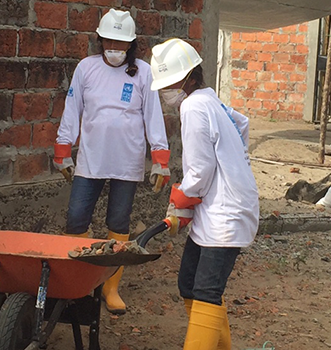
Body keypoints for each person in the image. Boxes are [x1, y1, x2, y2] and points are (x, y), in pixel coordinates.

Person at [53, 8, 170, 315]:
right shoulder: (86, 68)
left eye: (121, 44)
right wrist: (63, 150)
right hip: (91, 158)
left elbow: (153, 116)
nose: (115, 49)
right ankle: (78, 282)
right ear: (100, 40)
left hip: (127, 160)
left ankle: (110, 287)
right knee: (76, 218)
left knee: (118, 222)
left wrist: (160, 157)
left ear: (131, 44)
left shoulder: (143, 72)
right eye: (109, 42)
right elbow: (72, 108)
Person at [149, 38, 260, 350]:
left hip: (225, 213)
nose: (166, 90)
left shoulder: (194, 106)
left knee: (207, 290)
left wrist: (180, 202)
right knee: (188, 283)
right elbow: (243, 123)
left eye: (170, 83)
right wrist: (237, 163)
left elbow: (199, 171)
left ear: (188, 77)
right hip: (220, 207)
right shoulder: (210, 99)